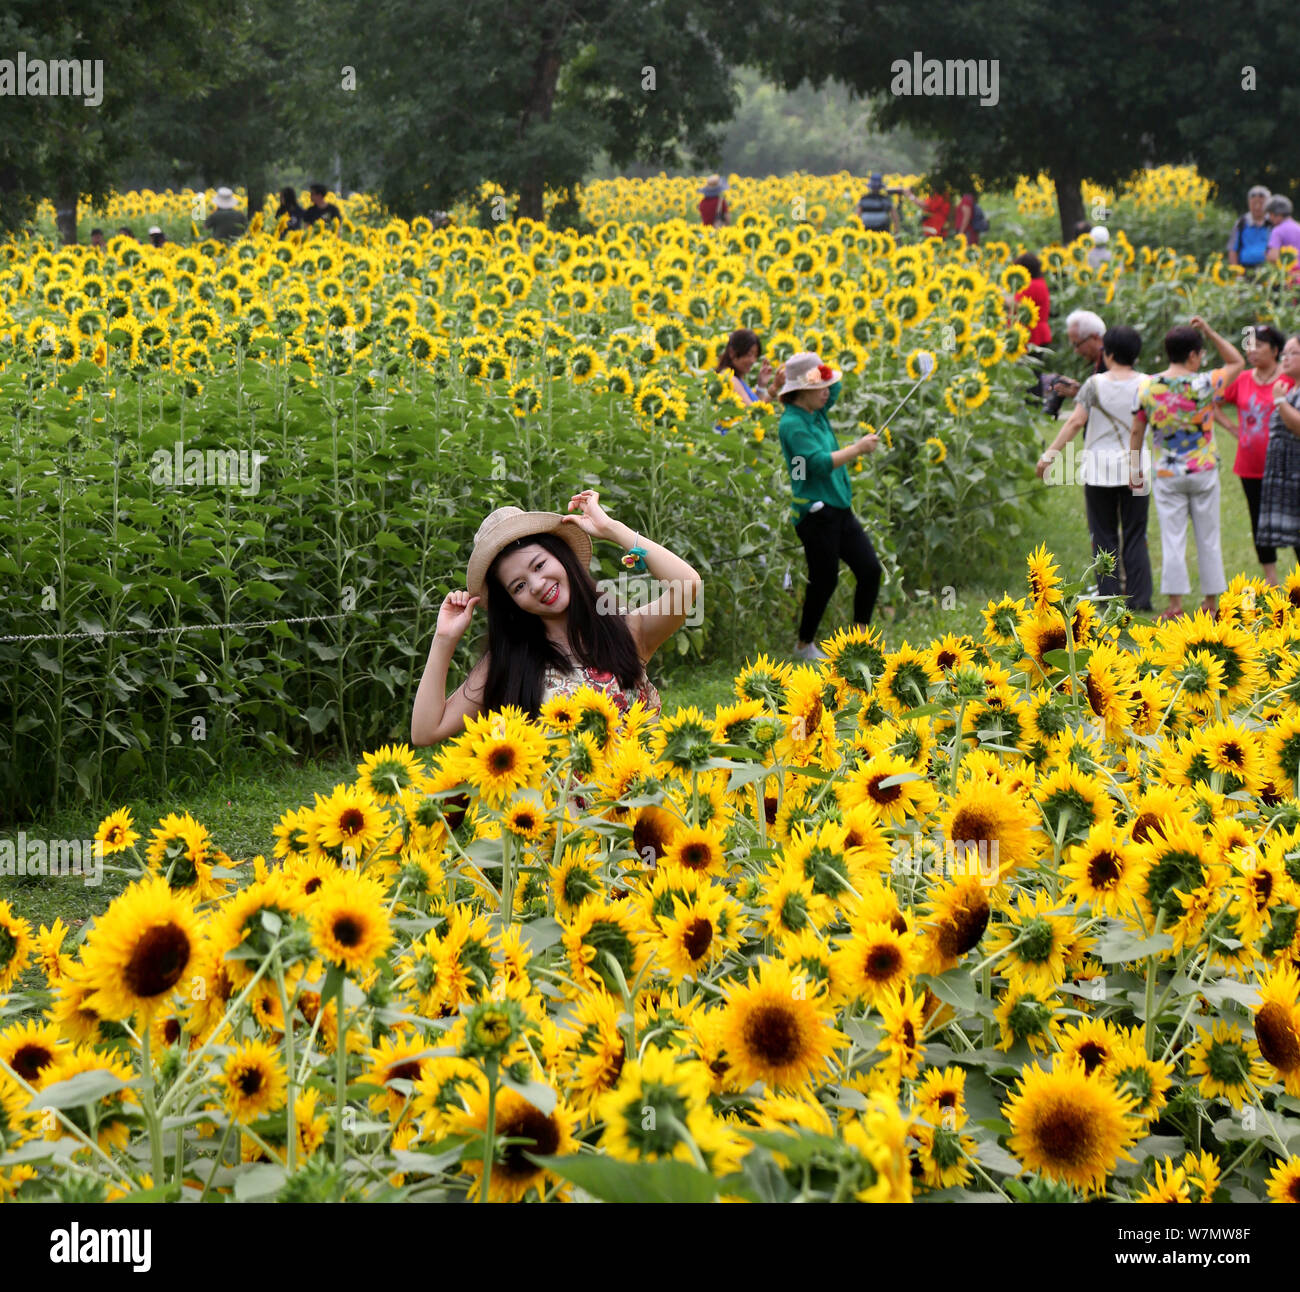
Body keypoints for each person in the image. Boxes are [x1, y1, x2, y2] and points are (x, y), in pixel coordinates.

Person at [410, 491, 701, 742]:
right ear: (512, 602)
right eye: (519, 586)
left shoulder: (623, 629)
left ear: (562, 557)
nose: (537, 585)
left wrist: (612, 529)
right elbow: (425, 732)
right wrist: (444, 639)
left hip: (639, 802)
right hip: (557, 807)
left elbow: (687, 585)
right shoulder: (509, 660)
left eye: (539, 565)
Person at [1129, 318, 1245, 620]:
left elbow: (1136, 431)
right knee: (1208, 536)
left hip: (1167, 475)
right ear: (1193, 354)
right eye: (1200, 353)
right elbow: (1237, 360)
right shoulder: (1205, 383)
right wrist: (1209, 330)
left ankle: (1176, 606)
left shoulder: (1147, 387)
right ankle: (1210, 601)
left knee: (1172, 538)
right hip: (1203, 470)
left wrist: (1134, 468)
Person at [1037, 326, 1152, 610]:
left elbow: (1076, 422)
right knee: (1136, 534)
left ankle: (1108, 596)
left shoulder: (1094, 384)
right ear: (1136, 354)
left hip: (1099, 471)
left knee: (1103, 535)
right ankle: (1140, 599)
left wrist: (1050, 455)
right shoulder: (1149, 383)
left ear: (1109, 354)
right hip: (1136, 469)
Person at [777, 352, 882, 660]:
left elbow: (834, 387)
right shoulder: (793, 424)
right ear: (801, 391)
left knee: (870, 570)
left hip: (839, 507)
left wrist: (818, 370)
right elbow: (818, 465)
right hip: (815, 513)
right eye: (819, 386)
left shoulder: (815, 412)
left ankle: (860, 640)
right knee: (825, 579)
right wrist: (858, 448)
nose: (828, 391)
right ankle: (803, 645)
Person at [1245, 332, 1300, 582]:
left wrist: (1279, 400)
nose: (1286, 359)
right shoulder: (1292, 388)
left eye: (1292, 353)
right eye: (1286, 353)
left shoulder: (1284, 392)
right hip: (1285, 473)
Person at [716, 328, 780, 406]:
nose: (753, 360)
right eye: (749, 354)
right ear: (732, 352)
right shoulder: (730, 379)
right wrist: (773, 389)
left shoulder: (738, 379)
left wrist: (761, 385)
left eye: (755, 355)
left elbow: (756, 404)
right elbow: (751, 412)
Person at [1011, 253, 1051, 347]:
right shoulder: (1040, 282)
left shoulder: (1032, 285)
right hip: (1037, 333)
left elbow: (1018, 305)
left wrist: (1001, 296)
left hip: (1032, 335)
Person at [1228, 186, 1272, 269]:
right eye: (1254, 203)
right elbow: (1232, 249)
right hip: (1245, 268)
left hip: (1268, 268)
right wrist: (1236, 271)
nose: (1257, 207)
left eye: (1261, 203)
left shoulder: (1272, 223)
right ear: (1249, 203)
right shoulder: (1241, 223)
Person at [1265, 196, 1300, 264]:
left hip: (1288, 273)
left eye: (1270, 214)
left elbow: (1273, 257)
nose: (1270, 218)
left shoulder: (1278, 230)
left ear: (1278, 214)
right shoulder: (1298, 227)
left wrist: (1267, 255)